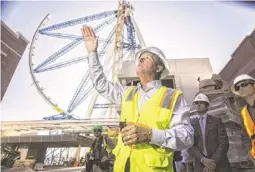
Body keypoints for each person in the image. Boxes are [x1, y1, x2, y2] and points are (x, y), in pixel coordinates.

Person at [81, 25, 194, 172]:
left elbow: (187, 137)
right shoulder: (127, 93)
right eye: (140, 58)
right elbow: (100, 84)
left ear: (159, 68)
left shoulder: (172, 97)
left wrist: (151, 135)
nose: (140, 59)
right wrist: (92, 53)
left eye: (147, 58)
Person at [187, 93, 231, 172]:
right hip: (200, 164)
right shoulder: (191, 123)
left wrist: (212, 163)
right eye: (196, 103)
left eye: (201, 103)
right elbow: (189, 145)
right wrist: (203, 160)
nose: (198, 105)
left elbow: (224, 143)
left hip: (219, 163)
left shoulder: (216, 121)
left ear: (207, 106)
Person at [231, 74, 255, 162]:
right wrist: (250, 153)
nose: (240, 88)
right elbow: (245, 136)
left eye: (244, 84)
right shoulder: (244, 112)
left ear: (253, 85)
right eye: (237, 87)